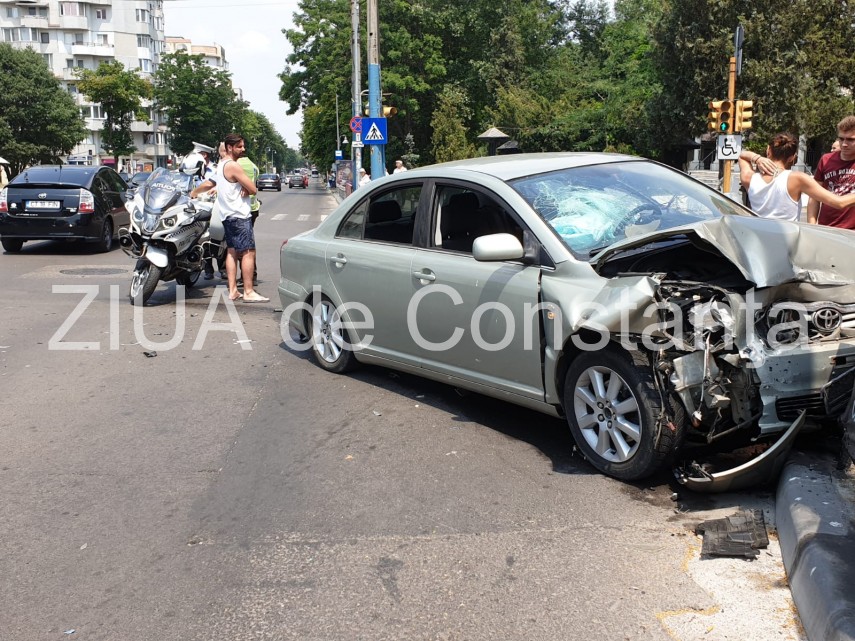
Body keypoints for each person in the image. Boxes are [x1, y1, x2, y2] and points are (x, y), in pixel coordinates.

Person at [191, 134, 268, 302]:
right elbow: (253, 188)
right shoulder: (233, 166)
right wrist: (247, 188)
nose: (243, 149)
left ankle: (233, 290)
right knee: (248, 253)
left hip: (227, 215)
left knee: (232, 252)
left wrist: (194, 192)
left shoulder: (221, 165)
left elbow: (214, 184)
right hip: (239, 215)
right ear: (230, 148)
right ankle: (248, 291)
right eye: (240, 146)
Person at [738, 131, 855, 222]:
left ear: (768, 151)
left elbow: (742, 156)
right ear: (792, 157)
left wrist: (757, 158)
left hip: (758, 238)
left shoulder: (750, 178)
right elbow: (839, 202)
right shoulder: (797, 179)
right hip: (786, 242)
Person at [807, 115, 855, 228]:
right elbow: (814, 197)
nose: (844, 144)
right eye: (841, 138)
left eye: (850, 140)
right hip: (827, 229)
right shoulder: (826, 160)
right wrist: (812, 226)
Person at [236, 153, 261, 286]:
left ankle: (249, 277)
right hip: (252, 208)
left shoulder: (238, 165)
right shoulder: (253, 165)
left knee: (243, 245)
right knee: (247, 243)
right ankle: (251, 275)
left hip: (243, 208)